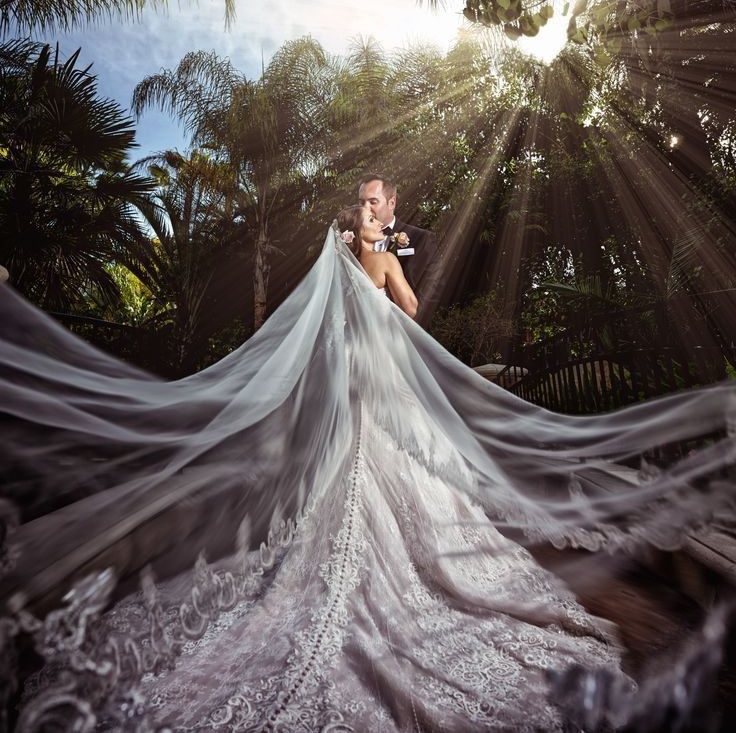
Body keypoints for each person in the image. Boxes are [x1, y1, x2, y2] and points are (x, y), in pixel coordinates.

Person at [1, 221, 736, 731]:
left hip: (351, 397)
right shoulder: (381, 258)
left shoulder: (342, 263)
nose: (379, 221)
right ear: (373, 220)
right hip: (379, 395)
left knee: (352, 488)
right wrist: (398, 279)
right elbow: (411, 313)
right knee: (398, 488)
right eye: (379, 212)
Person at [358, 174, 437, 303]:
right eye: (362, 202)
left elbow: (431, 291)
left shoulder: (421, 238)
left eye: (373, 202)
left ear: (392, 203)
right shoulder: (350, 241)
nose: (365, 208)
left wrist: (407, 323)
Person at [337, 204, 417, 318]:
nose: (380, 223)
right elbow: (410, 308)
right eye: (371, 220)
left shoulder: (343, 267)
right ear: (358, 231)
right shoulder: (385, 259)